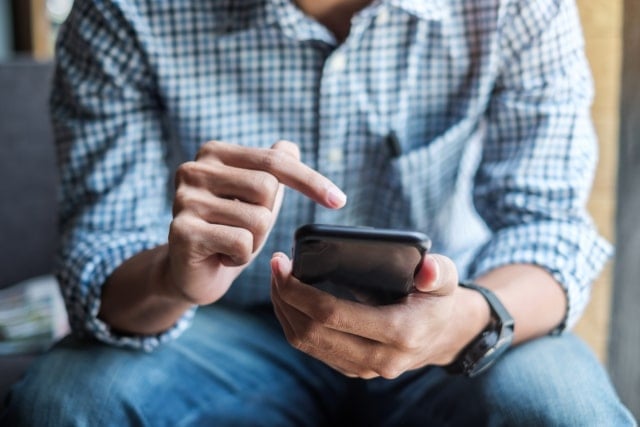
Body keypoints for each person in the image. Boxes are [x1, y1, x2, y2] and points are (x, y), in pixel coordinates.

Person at [2, 0, 635, 425]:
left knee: (564, 406)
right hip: (220, 330)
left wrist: (468, 318)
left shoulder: (517, 7)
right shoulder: (122, 11)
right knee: (65, 400)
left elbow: (548, 227)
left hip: (457, 325)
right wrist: (173, 275)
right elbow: (99, 261)